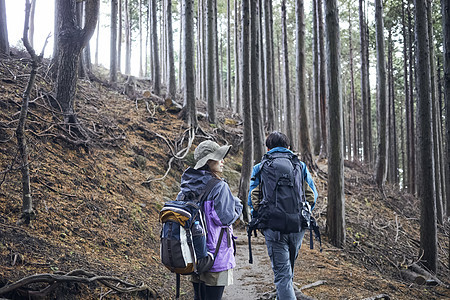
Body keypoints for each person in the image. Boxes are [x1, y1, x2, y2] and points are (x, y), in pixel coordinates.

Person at [248, 131, 318, 300]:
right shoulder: (299, 166)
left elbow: (252, 198)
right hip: (297, 226)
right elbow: (312, 196)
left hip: (273, 226)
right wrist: (303, 214)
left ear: (268, 148)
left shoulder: (261, 167)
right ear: (288, 147)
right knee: (288, 271)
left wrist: (259, 217)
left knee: (282, 276)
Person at [177, 140, 243, 300]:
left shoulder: (187, 185)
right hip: (215, 256)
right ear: (208, 162)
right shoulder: (219, 186)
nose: (223, 161)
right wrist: (238, 206)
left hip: (194, 254)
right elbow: (225, 218)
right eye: (219, 157)